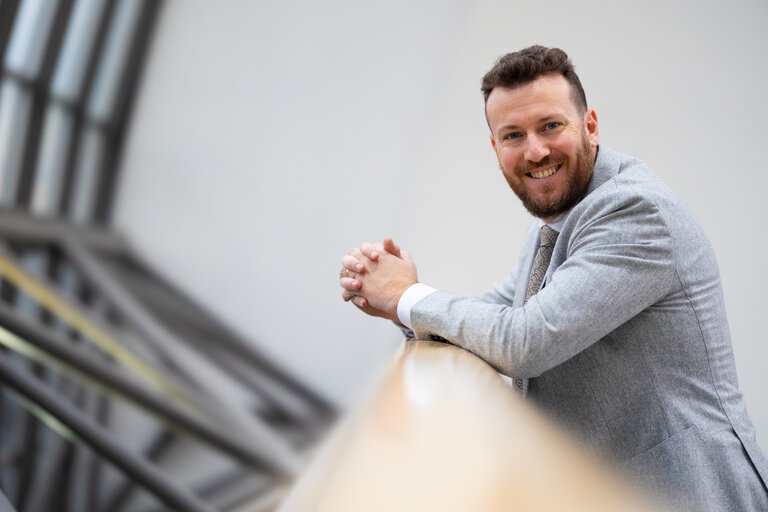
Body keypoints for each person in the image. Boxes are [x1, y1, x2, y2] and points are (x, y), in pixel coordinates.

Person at [338, 46, 768, 510]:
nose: (535, 150)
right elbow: (502, 308)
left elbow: (526, 341)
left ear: (591, 125)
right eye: (513, 135)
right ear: (495, 148)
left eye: (550, 126)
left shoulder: (635, 211)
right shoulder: (558, 217)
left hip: (690, 495)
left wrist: (407, 295)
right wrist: (397, 302)